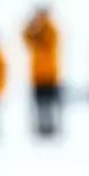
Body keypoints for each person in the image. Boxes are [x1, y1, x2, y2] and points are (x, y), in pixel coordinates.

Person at [23, 7, 63, 138]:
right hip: (37, 76)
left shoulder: (50, 29)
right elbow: (26, 37)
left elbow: (47, 40)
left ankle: (51, 128)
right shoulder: (36, 31)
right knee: (40, 104)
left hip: (50, 75)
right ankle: (41, 128)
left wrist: (38, 26)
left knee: (50, 104)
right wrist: (30, 25)